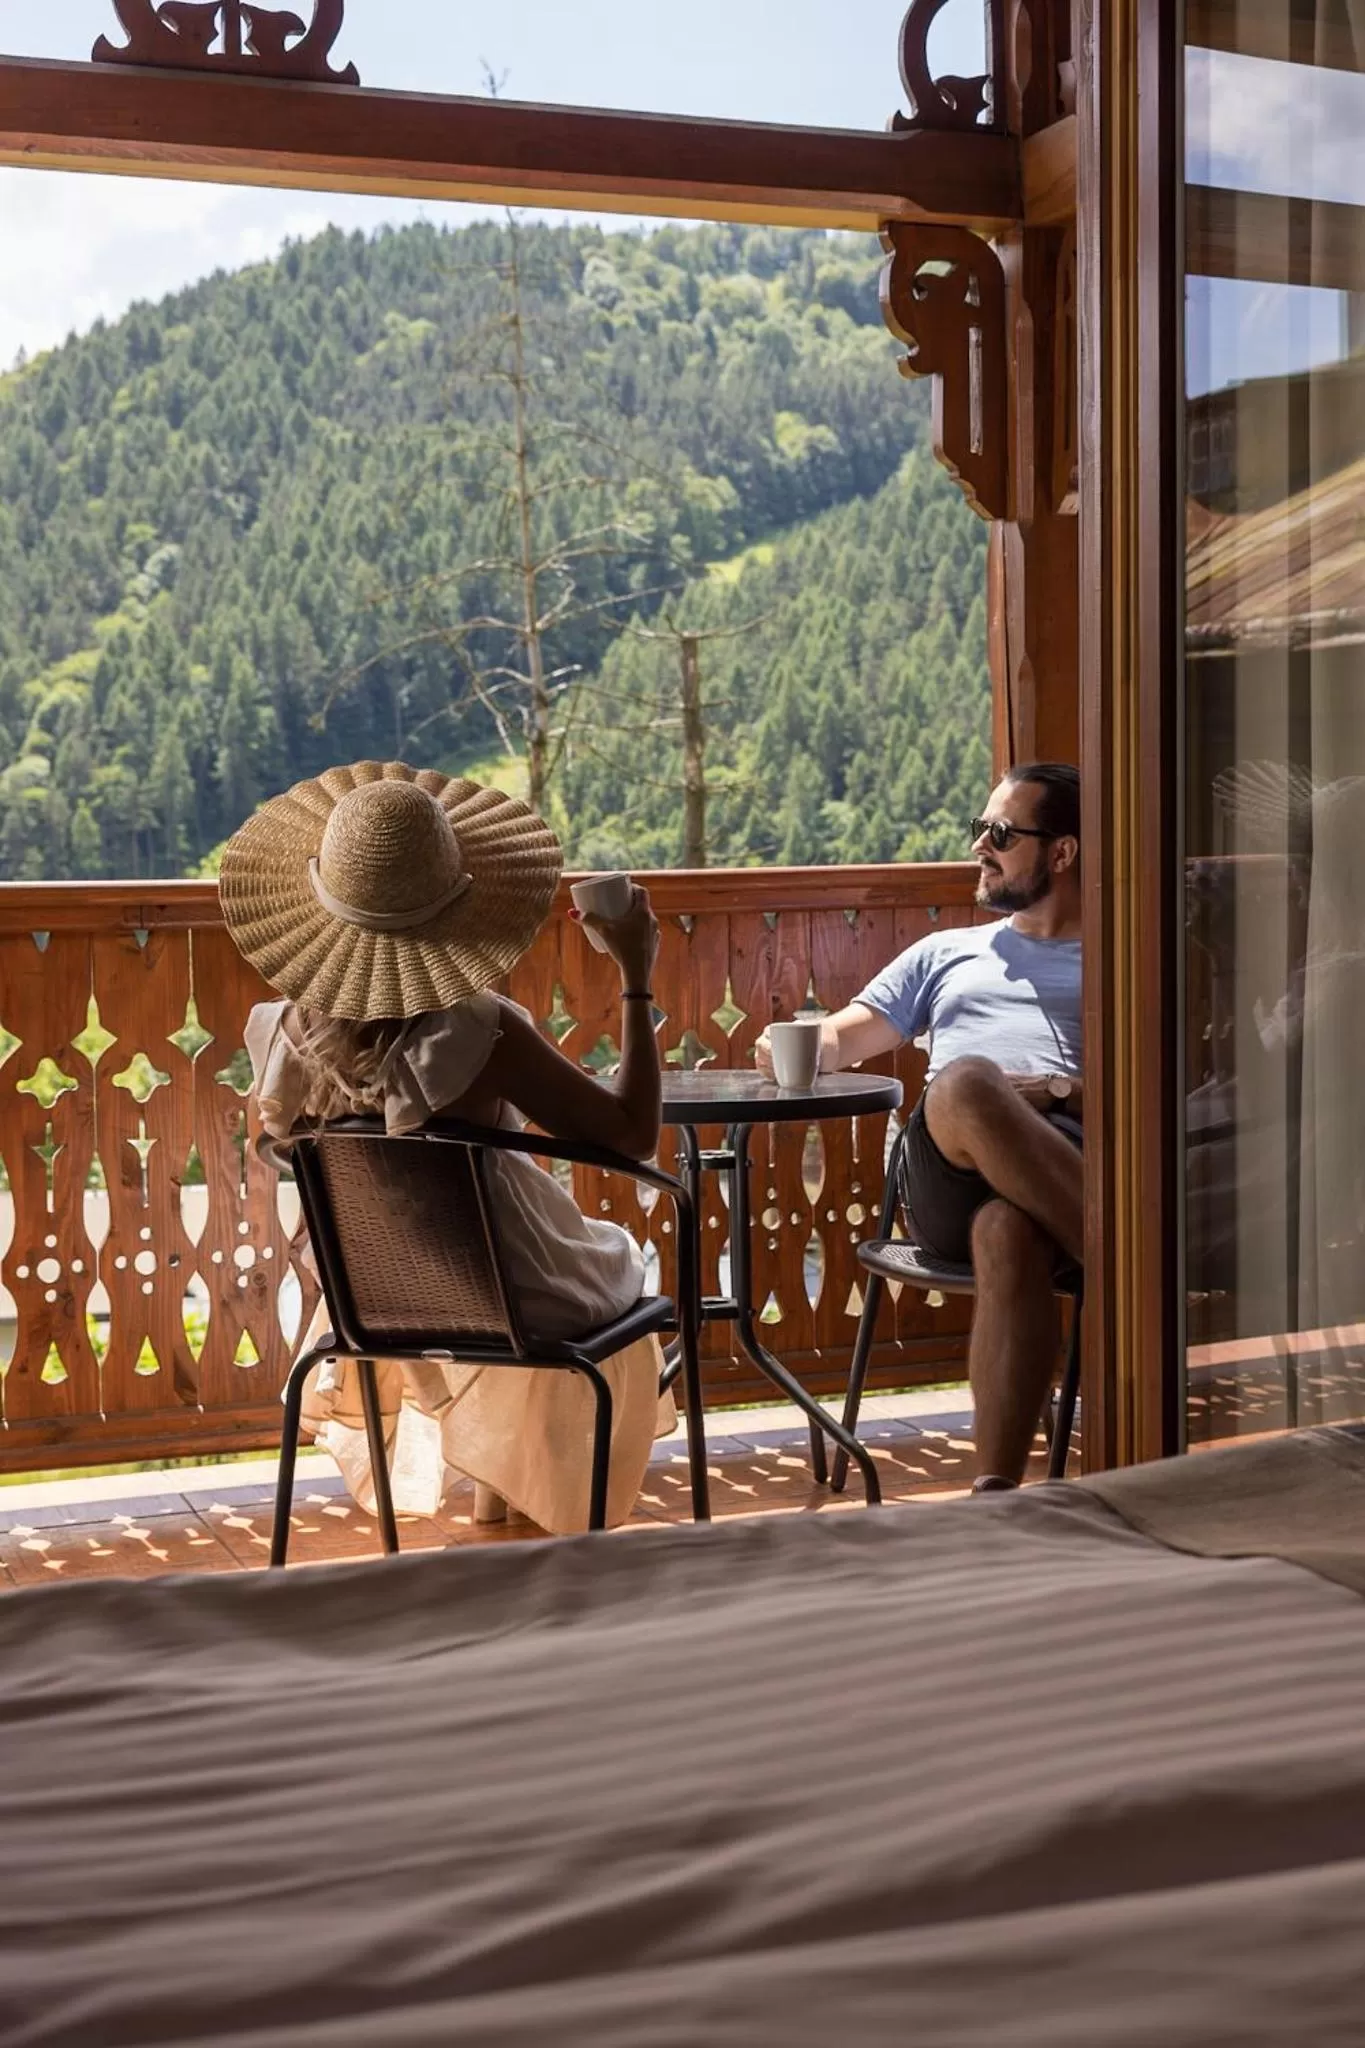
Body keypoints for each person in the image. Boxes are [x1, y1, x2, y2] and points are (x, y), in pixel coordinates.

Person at [219, 760, 673, 1537]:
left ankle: (504, 1495)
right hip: (507, 1296)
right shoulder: (478, 1030)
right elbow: (631, 1133)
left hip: (371, 1302)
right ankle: (544, 1498)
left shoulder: (281, 1035)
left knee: (580, 1261)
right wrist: (635, 973)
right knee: (621, 1261)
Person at [758, 762, 1083, 1491]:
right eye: (979, 828)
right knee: (966, 1083)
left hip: (1068, 1156)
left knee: (1007, 1230)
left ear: (1062, 852)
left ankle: (996, 1494)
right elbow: (844, 1036)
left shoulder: (1128, 957)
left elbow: (1158, 1094)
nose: (979, 846)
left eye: (1000, 834)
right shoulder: (946, 952)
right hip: (947, 1177)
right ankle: (1134, 1263)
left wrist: (1062, 1090)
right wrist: (791, 1044)